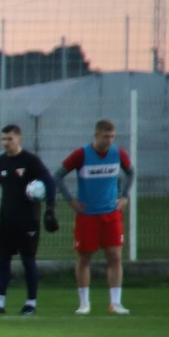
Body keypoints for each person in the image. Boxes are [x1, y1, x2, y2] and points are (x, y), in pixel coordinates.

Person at [58, 119, 134, 315]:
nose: (109, 140)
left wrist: (124, 195)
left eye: (112, 136)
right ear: (96, 135)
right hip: (87, 215)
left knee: (115, 257)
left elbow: (131, 172)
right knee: (84, 257)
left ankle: (115, 303)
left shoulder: (118, 153)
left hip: (110, 214)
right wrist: (70, 200)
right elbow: (58, 175)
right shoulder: (82, 154)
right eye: (105, 136)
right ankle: (84, 303)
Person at [0, 123, 57, 315]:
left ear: (19, 139)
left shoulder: (30, 161)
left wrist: (50, 209)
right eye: (3, 139)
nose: (6, 143)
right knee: (2, 260)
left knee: (28, 260)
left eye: (9, 139)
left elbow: (49, 181)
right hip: (6, 219)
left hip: (28, 220)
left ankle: (31, 303)